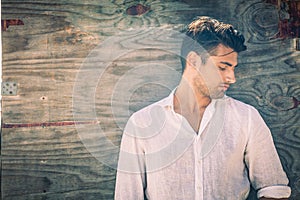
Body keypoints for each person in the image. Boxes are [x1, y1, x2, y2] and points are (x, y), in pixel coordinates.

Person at [114, 16, 291, 199]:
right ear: (193, 60)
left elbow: (274, 188)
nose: (232, 78)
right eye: (223, 68)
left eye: (233, 68)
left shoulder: (246, 118)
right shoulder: (141, 123)